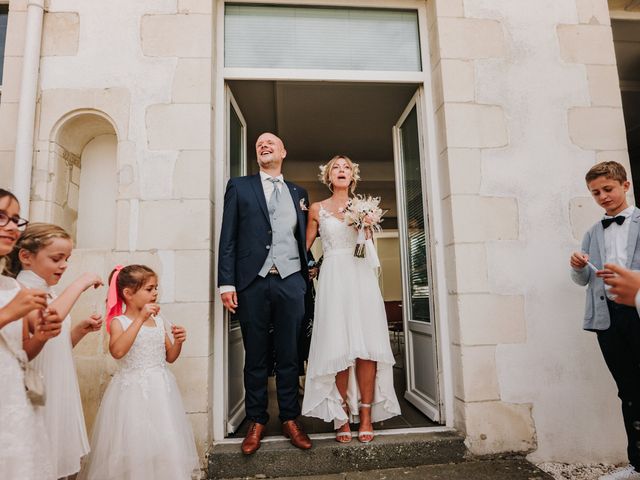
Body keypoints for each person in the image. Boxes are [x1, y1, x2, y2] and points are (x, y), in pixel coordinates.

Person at [218, 132, 312, 454]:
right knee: (255, 355)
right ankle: (256, 419)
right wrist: (226, 282)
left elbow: (302, 240)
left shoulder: (299, 193)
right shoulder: (239, 187)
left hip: (290, 282)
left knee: (289, 354)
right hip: (253, 283)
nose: (263, 145)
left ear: (283, 151)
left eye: (270, 142)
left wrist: (305, 273)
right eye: (259, 144)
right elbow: (227, 237)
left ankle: (290, 418)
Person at [301, 155, 401, 443]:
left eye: (346, 167)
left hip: (361, 277)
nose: (342, 171)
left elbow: (368, 250)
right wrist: (310, 267)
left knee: (367, 347)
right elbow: (304, 246)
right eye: (336, 167)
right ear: (328, 177)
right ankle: (342, 414)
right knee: (339, 347)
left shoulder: (364, 208)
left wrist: (366, 225)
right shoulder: (317, 209)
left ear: (353, 176)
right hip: (333, 278)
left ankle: (367, 414)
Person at [77, 265, 199, 480]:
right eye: (150, 289)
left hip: (161, 390)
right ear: (128, 294)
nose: (155, 293)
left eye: (156, 288)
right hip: (132, 393)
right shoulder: (119, 322)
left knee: (164, 439)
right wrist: (140, 319)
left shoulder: (159, 321)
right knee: (134, 442)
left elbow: (169, 356)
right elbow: (118, 351)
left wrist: (178, 341)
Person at [10, 223, 103, 479]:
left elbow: (51, 345)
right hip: (38, 391)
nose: (64, 265)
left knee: (56, 466)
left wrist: (80, 331)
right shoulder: (22, 291)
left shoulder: (48, 292)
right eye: (56, 258)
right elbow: (47, 321)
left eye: (67, 259)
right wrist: (81, 282)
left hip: (57, 387)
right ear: (26, 257)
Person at [569, 161, 640, 480]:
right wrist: (577, 264)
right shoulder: (592, 232)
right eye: (595, 193)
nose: (602, 197)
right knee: (627, 390)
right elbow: (583, 280)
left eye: (607, 189)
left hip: (638, 309)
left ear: (625, 186)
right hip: (607, 319)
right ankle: (637, 463)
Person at [0, 188, 62, 479]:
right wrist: (9, 313)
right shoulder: (16, 297)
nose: (12, 227)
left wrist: (42, 336)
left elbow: (24, 350)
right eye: (1, 218)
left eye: (15, 219)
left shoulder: (13, 287)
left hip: (12, 393)